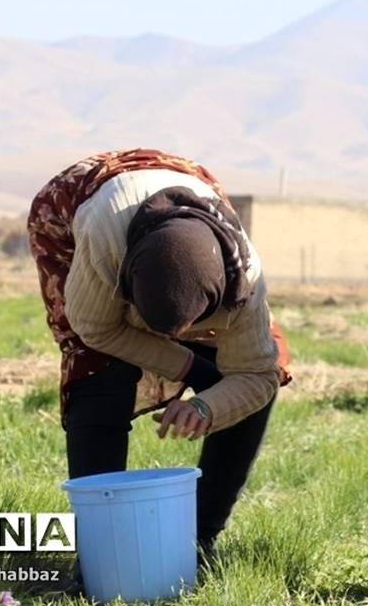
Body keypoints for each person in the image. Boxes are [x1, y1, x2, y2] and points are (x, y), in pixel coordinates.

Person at [27, 149, 291, 558]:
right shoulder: (104, 241)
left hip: (184, 199)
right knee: (97, 374)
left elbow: (256, 375)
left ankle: (199, 539)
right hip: (81, 209)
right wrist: (192, 366)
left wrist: (208, 405)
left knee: (266, 370)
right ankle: (102, 547)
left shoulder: (247, 282)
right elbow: (95, 327)